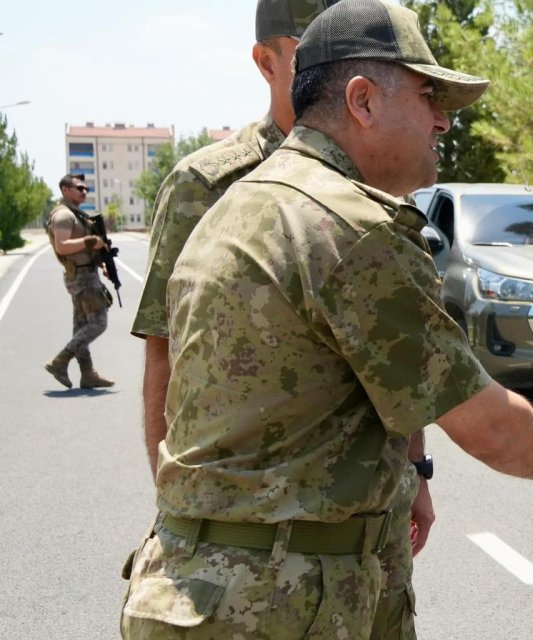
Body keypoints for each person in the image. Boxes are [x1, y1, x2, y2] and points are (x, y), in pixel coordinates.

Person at [118, 1, 533, 637]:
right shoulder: (350, 225)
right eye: (428, 97)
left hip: (202, 585)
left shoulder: (240, 201)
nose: (443, 122)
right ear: (363, 101)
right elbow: (483, 422)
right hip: (276, 602)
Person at [130, 2, 429, 637]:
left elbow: (399, 357)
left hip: (366, 533)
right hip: (256, 551)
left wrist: (417, 474)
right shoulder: (208, 184)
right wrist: (181, 510)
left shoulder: (378, 175)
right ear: (267, 62)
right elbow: (165, 349)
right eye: (311, 45)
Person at [44, 173, 115, 389]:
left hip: (85, 273)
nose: (84, 191)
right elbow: (62, 246)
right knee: (99, 323)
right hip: (81, 277)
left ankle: (87, 374)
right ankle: (60, 360)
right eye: (79, 188)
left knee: (81, 325)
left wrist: (102, 264)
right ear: (65, 190)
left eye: (86, 189)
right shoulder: (63, 216)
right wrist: (90, 241)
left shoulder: (76, 214)